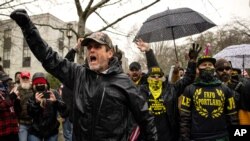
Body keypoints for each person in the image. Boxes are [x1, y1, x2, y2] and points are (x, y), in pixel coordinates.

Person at [10, 9, 158, 141]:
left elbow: (145, 119)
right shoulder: (79, 74)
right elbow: (49, 58)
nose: (91, 50)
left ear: (110, 53)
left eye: (98, 46)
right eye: (89, 47)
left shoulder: (125, 83)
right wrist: (28, 28)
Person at [136, 41, 199, 141]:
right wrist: (148, 52)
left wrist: (192, 61)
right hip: (148, 135)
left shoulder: (171, 89)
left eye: (159, 76)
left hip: (169, 135)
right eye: (153, 76)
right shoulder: (140, 91)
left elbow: (188, 79)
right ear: (148, 78)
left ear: (163, 78)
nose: (156, 79)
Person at [180, 56, 238, 141]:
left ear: (214, 68)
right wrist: (185, 138)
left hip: (221, 137)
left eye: (210, 64)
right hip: (198, 137)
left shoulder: (225, 89)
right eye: (204, 64)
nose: (207, 66)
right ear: (197, 69)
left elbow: (232, 117)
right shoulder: (189, 89)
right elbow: (184, 119)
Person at [27, 72, 66, 141]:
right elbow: (30, 113)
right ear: (33, 85)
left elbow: (63, 109)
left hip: (52, 130)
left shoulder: (53, 93)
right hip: (35, 130)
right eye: (37, 83)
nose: (39, 85)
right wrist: (36, 103)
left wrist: (55, 101)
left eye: (41, 82)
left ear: (46, 83)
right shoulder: (31, 96)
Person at [215, 59, 250, 125]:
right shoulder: (212, 87)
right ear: (216, 71)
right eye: (220, 69)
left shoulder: (240, 85)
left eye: (227, 68)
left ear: (231, 70)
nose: (224, 71)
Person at [14, 71, 34, 141]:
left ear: (29, 78)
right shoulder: (16, 90)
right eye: (23, 78)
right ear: (20, 79)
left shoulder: (34, 89)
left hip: (33, 122)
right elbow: (13, 107)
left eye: (26, 78)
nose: (25, 80)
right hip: (22, 122)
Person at [0, 71, 19, 141]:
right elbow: (1, 107)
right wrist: (12, 96)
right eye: (3, 81)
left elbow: (16, 110)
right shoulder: (10, 94)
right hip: (2, 131)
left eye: (7, 81)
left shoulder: (8, 92)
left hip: (13, 130)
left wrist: (17, 100)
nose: (6, 83)